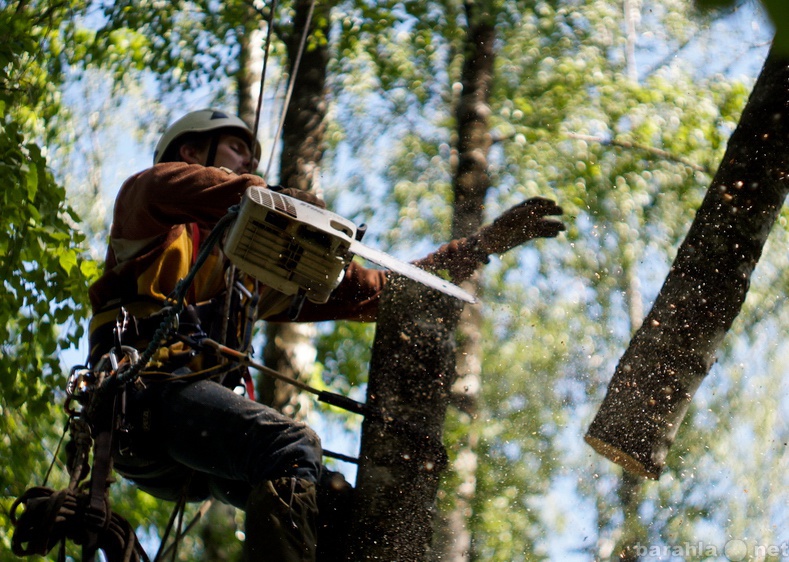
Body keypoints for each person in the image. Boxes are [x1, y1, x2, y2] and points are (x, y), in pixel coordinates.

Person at [86, 109, 564, 561]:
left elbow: (378, 293)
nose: (250, 160)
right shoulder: (147, 215)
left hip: (195, 435)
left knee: (331, 507)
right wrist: (269, 196)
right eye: (236, 147)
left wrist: (479, 247)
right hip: (145, 402)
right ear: (189, 153)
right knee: (291, 445)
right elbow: (168, 190)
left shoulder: (251, 275)